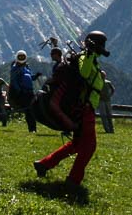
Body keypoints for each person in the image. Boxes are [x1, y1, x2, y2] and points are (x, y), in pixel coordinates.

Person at [32, 31, 109, 197]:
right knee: (89, 147)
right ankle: (73, 181)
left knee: (78, 144)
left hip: (85, 107)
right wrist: (89, 54)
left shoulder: (90, 58)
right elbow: (84, 73)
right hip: (84, 109)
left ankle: (44, 164)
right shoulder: (86, 57)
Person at [8, 50, 37, 133]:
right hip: (23, 92)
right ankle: (32, 129)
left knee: (32, 110)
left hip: (30, 91)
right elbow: (13, 81)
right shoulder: (15, 68)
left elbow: (30, 77)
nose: (21, 58)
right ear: (17, 57)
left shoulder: (26, 67)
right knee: (29, 110)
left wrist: (36, 76)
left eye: (23, 57)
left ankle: (33, 128)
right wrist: (19, 91)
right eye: (20, 57)